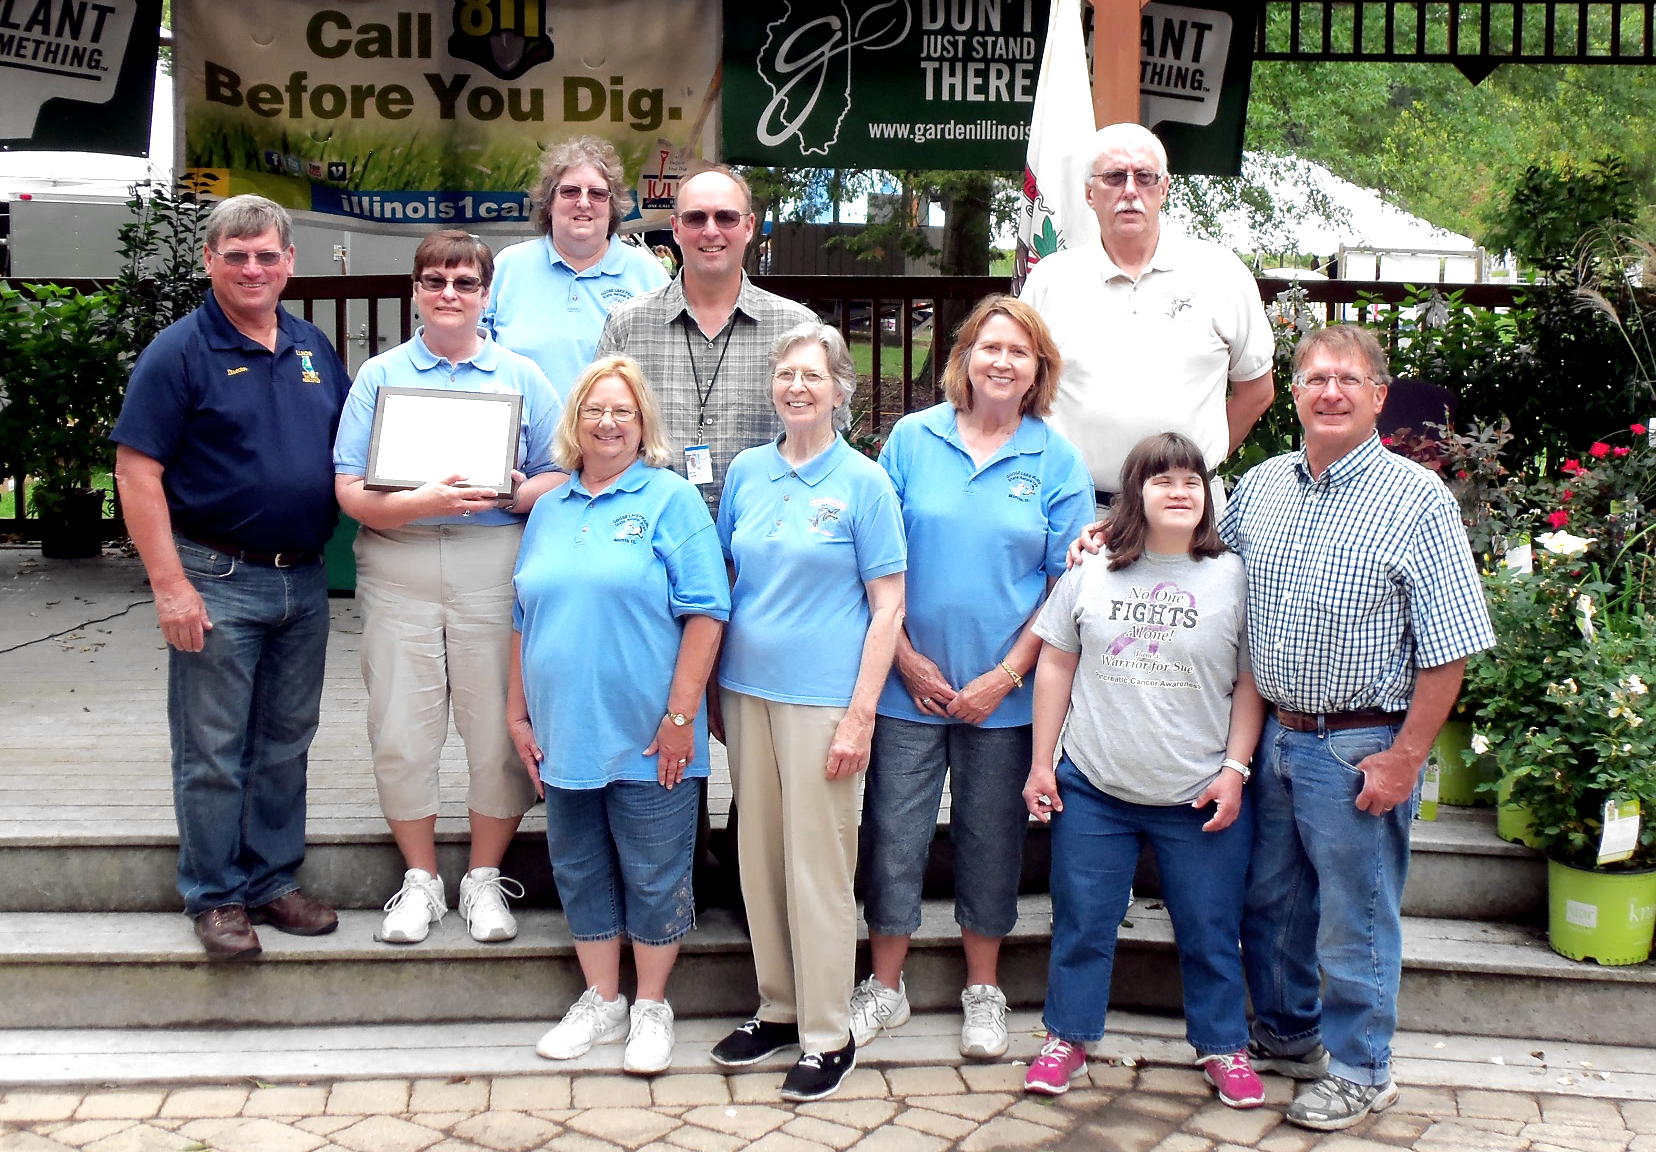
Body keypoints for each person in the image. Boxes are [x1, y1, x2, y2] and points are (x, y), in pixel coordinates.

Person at [1221, 325, 1494, 1129]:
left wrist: (1406, 758)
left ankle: (1363, 1067)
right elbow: (1204, 570)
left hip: (1359, 746)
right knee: (1271, 903)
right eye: (1313, 377)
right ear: (1294, 395)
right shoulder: (1262, 487)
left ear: (1378, 395)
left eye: (1348, 378)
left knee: (1355, 916)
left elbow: (1449, 650)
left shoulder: (1418, 500)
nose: (1329, 390)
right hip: (1272, 734)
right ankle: (1287, 1033)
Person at [111, 194, 350, 960]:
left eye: (267, 255)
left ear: (290, 264)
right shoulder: (178, 351)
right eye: (237, 254)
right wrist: (169, 585)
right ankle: (214, 896)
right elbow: (136, 471)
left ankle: (273, 882)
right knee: (212, 748)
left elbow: (354, 449)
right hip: (215, 576)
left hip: (302, 582)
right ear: (210, 260)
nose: (254, 268)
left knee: (286, 742)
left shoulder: (312, 345)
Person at [853, 295, 1092, 1060]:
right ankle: (884, 986)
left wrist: (1005, 675)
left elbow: (1066, 587)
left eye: (1018, 352)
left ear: (1037, 370)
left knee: (992, 842)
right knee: (893, 835)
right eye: (989, 347)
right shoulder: (911, 441)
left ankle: (982, 992)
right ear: (965, 358)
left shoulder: (1056, 461)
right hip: (905, 686)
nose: (1001, 361)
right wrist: (907, 659)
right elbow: (872, 560)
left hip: (1005, 696)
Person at [333, 230, 564, 946]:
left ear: (486, 294)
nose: (449, 294)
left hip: (491, 562)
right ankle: (422, 881)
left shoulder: (521, 377)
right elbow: (347, 486)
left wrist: (515, 490)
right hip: (398, 561)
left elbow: (560, 474)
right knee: (401, 726)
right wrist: (417, 504)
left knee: (497, 728)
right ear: (416, 291)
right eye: (435, 281)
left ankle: (484, 877)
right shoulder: (381, 375)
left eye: (465, 282)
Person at [1020, 431, 1266, 1105]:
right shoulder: (1092, 570)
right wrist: (1043, 762)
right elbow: (1056, 663)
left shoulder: (1233, 577)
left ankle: (1222, 1046)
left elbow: (1251, 681)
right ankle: (1067, 1037)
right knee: (1082, 923)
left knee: (1211, 930)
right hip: (1096, 788)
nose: (1180, 490)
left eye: (1192, 479)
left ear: (1209, 495)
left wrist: (1236, 770)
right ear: (1135, 494)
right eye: (1162, 480)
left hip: (1195, 792)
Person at [509, 355, 729, 1075]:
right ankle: (601, 999)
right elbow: (522, 616)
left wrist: (679, 716)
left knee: (655, 870)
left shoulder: (670, 500)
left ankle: (651, 1005)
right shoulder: (548, 508)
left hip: (648, 732)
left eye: (624, 412)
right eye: (595, 410)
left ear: (644, 427)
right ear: (575, 422)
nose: (608, 423)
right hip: (563, 728)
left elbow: (707, 613)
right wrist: (518, 716)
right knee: (578, 867)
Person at [709, 322, 906, 1102]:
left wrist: (860, 715)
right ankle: (780, 1008)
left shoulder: (865, 483)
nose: (797, 386)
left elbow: (888, 607)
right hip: (747, 692)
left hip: (825, 699)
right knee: (758, 860)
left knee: (819, 866)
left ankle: (830, 1030)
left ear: (839, 390)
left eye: (812, 375)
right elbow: (728, 578)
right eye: (785, 373)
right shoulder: (748, 473)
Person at [1020, 123, 1274, 506]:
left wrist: (1195, 466)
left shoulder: (1220, 272)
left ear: (1164, 188)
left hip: (1186, 513)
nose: (1130, 191)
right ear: (1090, 193)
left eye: (1144, 177)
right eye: (1114, 177)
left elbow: (1256, 390)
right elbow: (1021, 389)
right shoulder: (1051, 279)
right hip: (1078, 510)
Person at [596, 164, 816, 513]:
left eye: (726, 217)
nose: (710, 231)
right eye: (696, 218)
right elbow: (596, 435)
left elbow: (825, 442)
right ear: (676, 230)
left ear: (748, 226)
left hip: (762, 540)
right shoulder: (628, 325)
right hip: (649, 537)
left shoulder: (797, 329)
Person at [485, 136, 668, 397]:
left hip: (614, 434)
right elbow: (475, 356)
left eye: (597, 193)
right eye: (570, 191)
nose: (583, 203)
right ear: (549, 203)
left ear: (613, 206)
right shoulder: (507, 266)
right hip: (523, 435)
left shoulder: (649, 274)